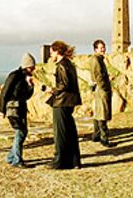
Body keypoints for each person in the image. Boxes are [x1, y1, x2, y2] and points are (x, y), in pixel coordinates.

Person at [46, 40, 82, 169]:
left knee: (60, 132)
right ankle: (74, 161)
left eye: (51, 52)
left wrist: (52, 90)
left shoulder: (61, 65)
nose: (50, 55)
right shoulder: (70, 64)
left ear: (57, 51)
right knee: (70, 131)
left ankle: (60, 161)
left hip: (61, 102)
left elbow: (64, 84)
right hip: (69, 101)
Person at [0, 53, 35, 168]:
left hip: (21, 108)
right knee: (20, 132)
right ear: (26, 66)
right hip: (13, 108)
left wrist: (30, 86)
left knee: (22, 132)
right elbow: (4, 92)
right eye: (32, 67)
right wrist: (1, 109)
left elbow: (27, 96)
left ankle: (11, 157)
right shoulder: (14, 75)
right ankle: (17, 160)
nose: (33, 70)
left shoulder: (25, 78)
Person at [90, 39, 113, 147]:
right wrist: (104, 87)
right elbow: (98, 75)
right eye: (101, 47)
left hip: (99, 89)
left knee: (98, 112)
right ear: (95, 49)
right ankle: (104, 138)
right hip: (101, 90)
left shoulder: (99, 59)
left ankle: (96, 135)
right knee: (102, 113)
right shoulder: (96, 59)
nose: (103, 49)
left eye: (104, 47)